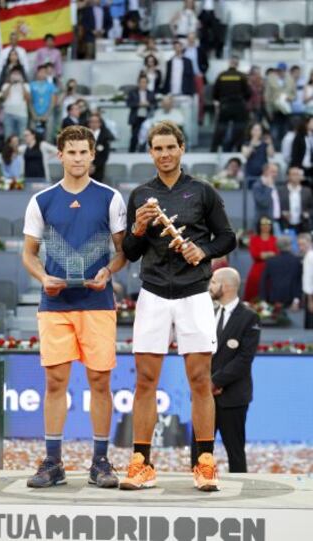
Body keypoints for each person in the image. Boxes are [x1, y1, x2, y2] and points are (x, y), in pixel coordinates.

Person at [121, 121, 236, 491]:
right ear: (150, 152)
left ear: (182, 148)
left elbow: (228, 237)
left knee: (201, 380)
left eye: (171, 147)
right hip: (153, 293)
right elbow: (129, 252)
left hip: (194, 293)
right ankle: (142, 463)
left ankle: (204, 461)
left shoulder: (202, 191)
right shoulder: (140, 195)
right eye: (158, 148)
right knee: (144, 381)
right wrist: (137, 229)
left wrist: (203, 251)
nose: (165, 154)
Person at [22, 125, 126, 489]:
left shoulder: (111, 198)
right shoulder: (42, 200)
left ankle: (100, 462)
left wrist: (108, 271)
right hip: (55, 303)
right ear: (60, 155)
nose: (78, 158)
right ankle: (53, 461)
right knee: (55, 382)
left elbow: (123, 251)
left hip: (98, 302)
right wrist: (42, 278)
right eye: (72, 152)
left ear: (93, 155)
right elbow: (29, 254)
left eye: (84, 152)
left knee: (100, 381)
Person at [191, 268, 261, 473]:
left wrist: (215, 382)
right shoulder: (205, 312)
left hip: (233, 397)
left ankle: (240, 496)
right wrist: (204, 383)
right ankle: (197, 484)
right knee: (198, 451)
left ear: (227, 286)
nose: (210, 286)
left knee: (235, 452)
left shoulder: (249, 317)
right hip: (203, 395)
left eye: (213, 282)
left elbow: (244, 359)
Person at [211, 57, 251, 152]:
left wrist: (220, 101)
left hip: (225, 105)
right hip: (238, 106)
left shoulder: (221, 75)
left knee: (221, 128)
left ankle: (214, 149)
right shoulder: (242, 76)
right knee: (239, 128)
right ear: (237, 64)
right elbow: (248, 93)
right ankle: (239, 149)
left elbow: (215, 93)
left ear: (229, 63)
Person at [260, 235, 302, 309]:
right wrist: (297, 299)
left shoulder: (270, 261)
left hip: (274, 298)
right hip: (291, 298)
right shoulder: (297, 261)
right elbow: (299, 281)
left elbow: (263, 281)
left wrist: (263, 299)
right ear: (290, 246)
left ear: (277, 246)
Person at [244, 217, 278, 302]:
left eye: (268, 224)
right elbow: (255, 255)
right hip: (257, 271)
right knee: (254, 294)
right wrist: (270, 254)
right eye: (263, 224)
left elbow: (277, 254)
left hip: (272, 270)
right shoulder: (254, 239)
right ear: (259, 226)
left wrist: (263, 254)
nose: (266, 226)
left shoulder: (275, 239)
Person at [264, 63, 296, 150]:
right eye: (278, 70)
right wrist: (269, 110)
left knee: (286, 130)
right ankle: (275, 149)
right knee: (275, 131)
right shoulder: (270, 79)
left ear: (285, 71)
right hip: (275, 109)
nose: (280, 72)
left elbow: (294, 95)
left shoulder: (290, 80)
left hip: (286, 110)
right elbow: (267, 96)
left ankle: (285, 149)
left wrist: (290, 98)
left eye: (281, 70)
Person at [278, 166, 313, 233]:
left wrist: (308, 213)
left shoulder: (307, 191)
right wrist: (283, 213)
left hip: (303, 224)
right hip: (285, 224)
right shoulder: (281, 191)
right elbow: (276, 206)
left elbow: (311, 207)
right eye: (293, 174)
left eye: (298, 174)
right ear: (288, 176)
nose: (296, 176)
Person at [184, 32, 209, 124]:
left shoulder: (199, 50)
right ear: (187, 39)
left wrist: (202, 72)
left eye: (193, 38)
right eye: (189, 38)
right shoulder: (184, 50)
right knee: (187, 96)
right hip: (187, 78)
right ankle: (188, 117)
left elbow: (206, 63)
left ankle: (200, 117)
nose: (191, 40)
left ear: (195, 39)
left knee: (200, 97)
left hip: (198, 76)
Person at [127, 74, 156, 153]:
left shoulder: (151, 93)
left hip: (147, 117)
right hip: (136, 117)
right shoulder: (132, 92)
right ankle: (131, 151)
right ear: (138, 83)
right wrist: (138, 104)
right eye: (142, 82)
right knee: (135, 136)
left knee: (147, 136)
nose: (143, 84)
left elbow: (154, 104)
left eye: (145, 82)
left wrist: (148, 104)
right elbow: (129, 103)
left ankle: (142, 150)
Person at [241, 123, 275, 189]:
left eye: (259, 130)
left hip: (263, 173)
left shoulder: (265, 143)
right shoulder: (246, 144)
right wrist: (252, 144)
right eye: (255, 130)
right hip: (250, 172)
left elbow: (271, 155)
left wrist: (270, 144)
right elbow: (246, 155)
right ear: (251, 131)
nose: (257, 132)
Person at [1, 67, 30, 140]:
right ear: (10, 75)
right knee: (8, 137)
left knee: (22, 137)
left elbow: (27, 98)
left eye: (18, 74)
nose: (16, 76)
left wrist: (22, 83)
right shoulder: (5, 85)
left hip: (22, 114)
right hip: (8, 114)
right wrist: (11, 83)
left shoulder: (26, 85)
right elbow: (4, 97)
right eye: (14, 74)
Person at [29, 65, 57, 140]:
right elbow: (29, 101)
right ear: (37, 73)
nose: (42, 74)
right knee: (32, 136)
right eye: (40, 72)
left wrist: (47, 115)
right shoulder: (31, 85)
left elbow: (53, 101)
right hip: (35, 114)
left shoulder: (51, 86)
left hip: (48, 114)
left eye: (44, 72)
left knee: (48, 136)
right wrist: (33, 114)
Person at [252, 163, 281, 230]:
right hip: (264, 223)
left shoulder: (274, 184)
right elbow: (264, 203)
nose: (275, 174)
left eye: (276, 172)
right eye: (273, 172)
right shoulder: (257, 185)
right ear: (265, 171)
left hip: (276, 221)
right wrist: (269, 187)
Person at [88, 112, 114, 182]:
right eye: (92, 122)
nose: (94, 124)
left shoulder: (105, 136)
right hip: (84, 169)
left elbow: (105, 155)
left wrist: (94, 166)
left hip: (98, 169)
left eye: (96, 122)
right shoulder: (83, 135)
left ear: (100, 123)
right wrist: (87, 166)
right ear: (89, 123)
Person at [290, 117, 313, 185]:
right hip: (301, 167)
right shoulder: (299, 137)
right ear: (306, 124)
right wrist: (297, 168)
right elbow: (295, 154)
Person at [297, 233, 313, 329]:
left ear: (310, 243)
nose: (301, 247)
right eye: (299, 245)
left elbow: (309, 279)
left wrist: (310, 300)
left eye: (303, 244)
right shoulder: (308, 256)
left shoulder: (310, 257)